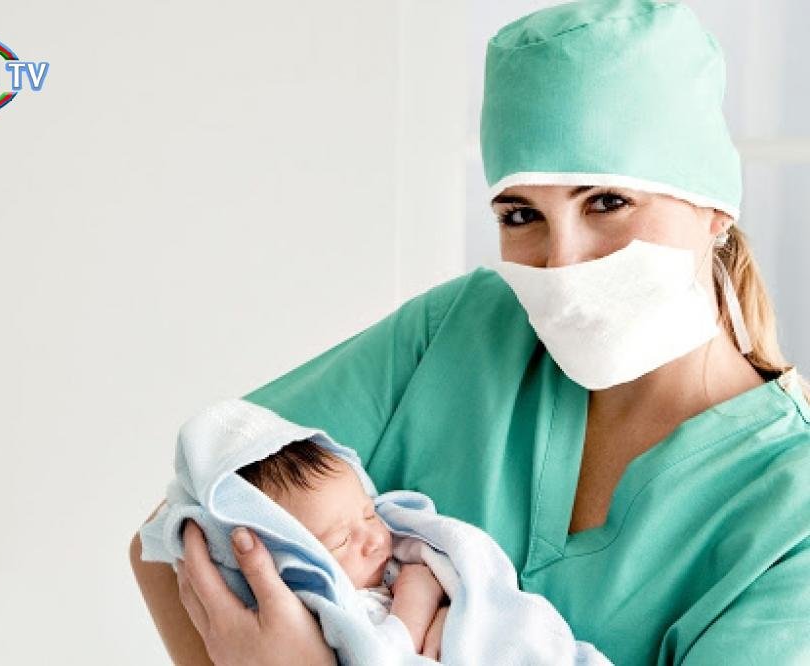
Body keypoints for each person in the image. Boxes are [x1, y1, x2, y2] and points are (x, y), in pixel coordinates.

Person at [130, 1, 810, 664]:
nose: (562, 262)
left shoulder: (791, 515)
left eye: (608, 202)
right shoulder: (460, 330)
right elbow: (176, 539)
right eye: (521, 215)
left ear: (715, 209)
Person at [235, 438, 449, 657]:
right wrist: (418, 594)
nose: (375, 540)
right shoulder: (338, 612)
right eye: (341, 541)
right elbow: (384, 656)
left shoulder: (396, 558)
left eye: (370, 515)